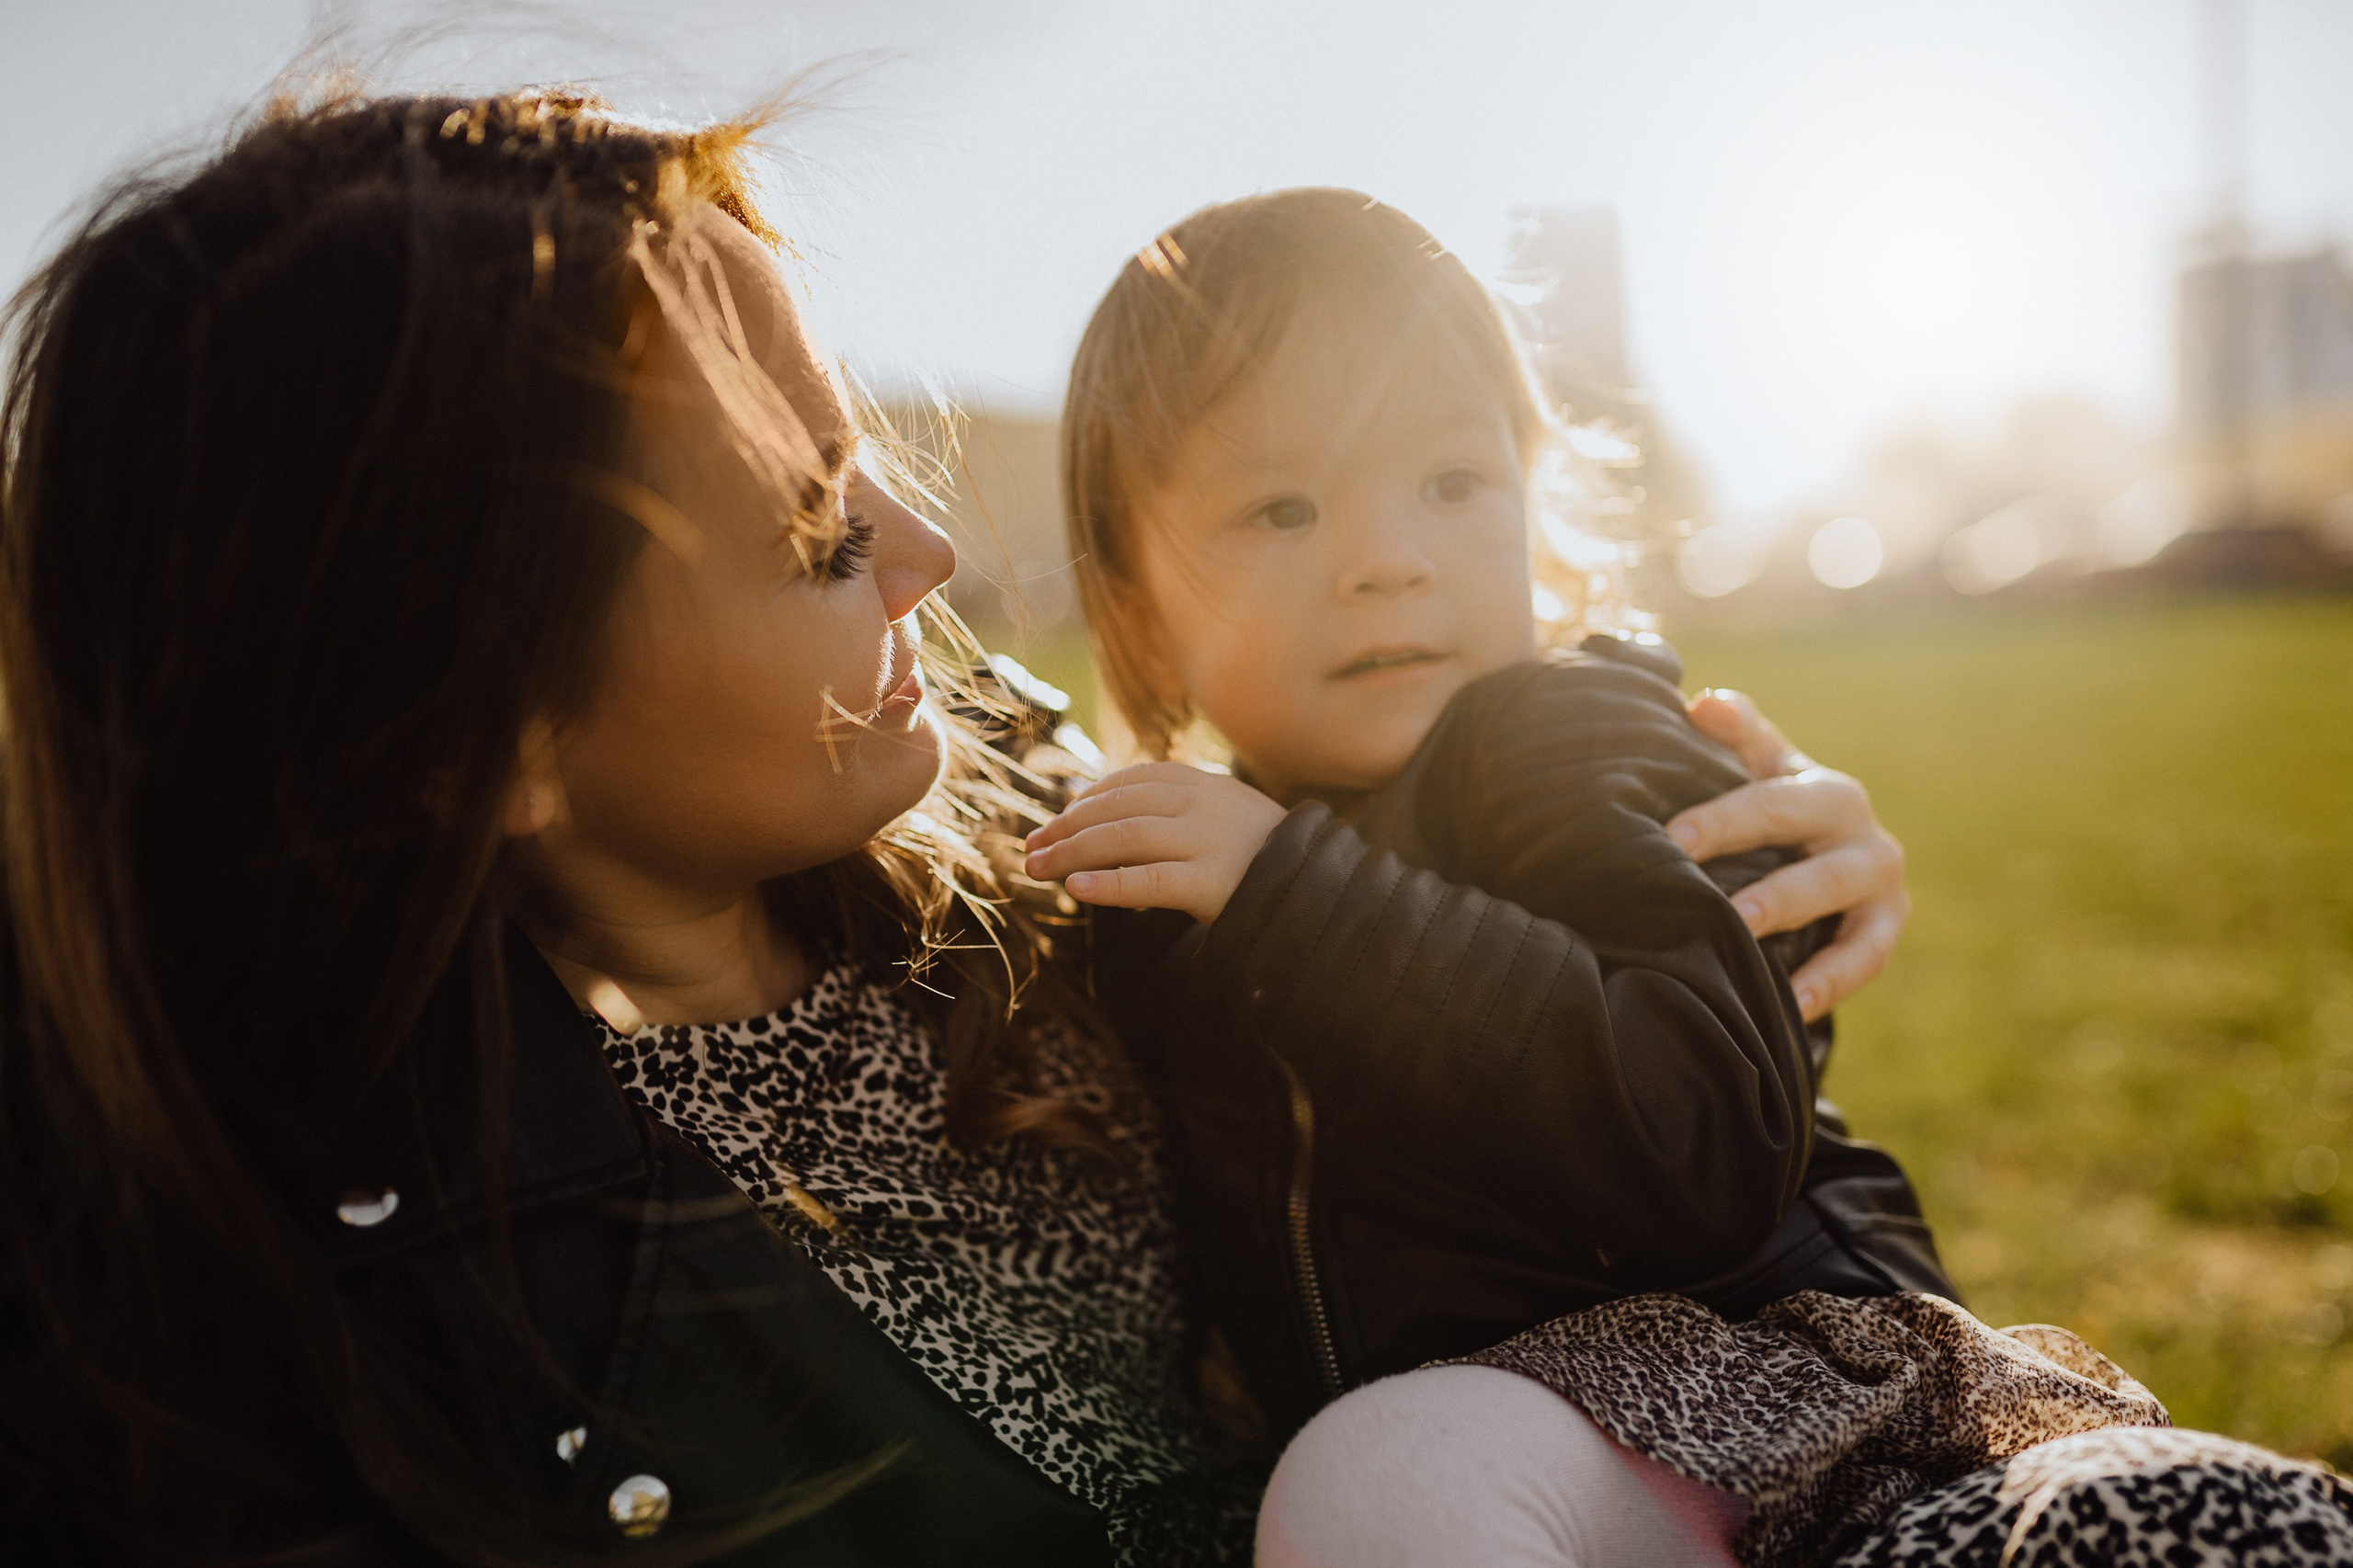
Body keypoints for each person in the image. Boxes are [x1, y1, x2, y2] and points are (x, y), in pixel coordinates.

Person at [0, 91, 1916, 1566]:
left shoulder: (1019, 805)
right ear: (461, 736)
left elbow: (1557, 1021)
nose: (927, 558)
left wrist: (1707, 837)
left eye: (871, 462)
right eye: (820, 534)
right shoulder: (266, 1320)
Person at [1027, 187, 2353, 1567]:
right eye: (1281, 506)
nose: (1388, 559)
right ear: (1136, 606)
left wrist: (1300, 901)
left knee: (1379, 1477)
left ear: (1537, 516)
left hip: (1785, 1408)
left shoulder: (1560, 741)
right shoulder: (1189, 884)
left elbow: (1696, 1138)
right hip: (1565, 1484)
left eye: (1452, 482)